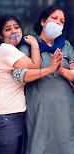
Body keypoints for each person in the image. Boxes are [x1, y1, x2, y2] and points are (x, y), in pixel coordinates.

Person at [0, 15, 62, 154]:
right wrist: (34, 45)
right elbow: (34, 67)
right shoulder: (6, 49)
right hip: (5, 117)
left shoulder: (13, 51)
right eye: (8, 29)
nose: (14, 32)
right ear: (1, 36)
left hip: (10, 116)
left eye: (16, 27)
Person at [17, 5, 74, 154]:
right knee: (40, 143)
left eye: (61, 21)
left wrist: (61, 69)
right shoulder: (29, 44)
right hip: (39, 101)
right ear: (43, 21)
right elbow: (20, 74)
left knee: (64, 142)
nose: (58, 23)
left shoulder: (66, 46)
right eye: (54, 19)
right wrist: (48, 68)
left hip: (64, 104)